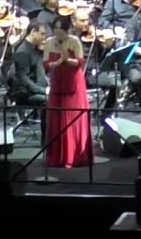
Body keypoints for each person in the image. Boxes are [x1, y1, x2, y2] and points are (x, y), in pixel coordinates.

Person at [44, 16, 92, 168]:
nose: (58, 31)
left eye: (61, 28)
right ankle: (57, 156)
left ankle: (75, 155)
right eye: (56, 28)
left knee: (73, 118)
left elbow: (79, 62)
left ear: (67, 29)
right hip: (57, 81)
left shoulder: (74, 41)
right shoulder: (49, 42)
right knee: (56, 117)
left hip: (73, 83)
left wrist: (66, 59)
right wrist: (58, 61)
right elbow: (46, 63)